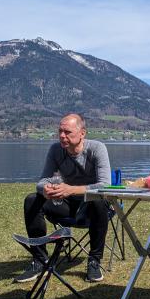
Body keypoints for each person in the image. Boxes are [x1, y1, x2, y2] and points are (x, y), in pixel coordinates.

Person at [15, 113, 112, 283]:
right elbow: (42, 181)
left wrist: (71, 190)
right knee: (32, 200)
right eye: (60, 131)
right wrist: (45, 189)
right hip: (67, 205)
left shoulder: (97, 148)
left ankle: (94, 261)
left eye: (67, 132)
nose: (62, 136)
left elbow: (104, 186)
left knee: (97, 200)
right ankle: (40, 260)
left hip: (92, 207)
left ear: (82, 133)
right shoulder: (56, 150)